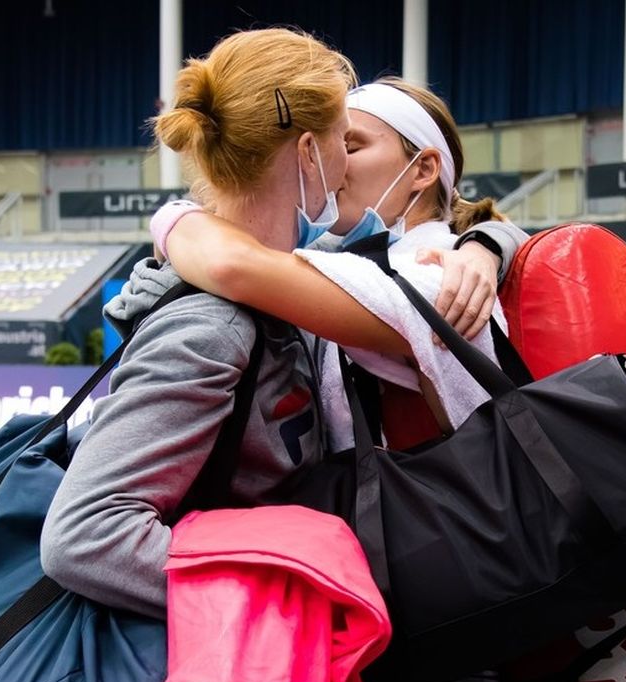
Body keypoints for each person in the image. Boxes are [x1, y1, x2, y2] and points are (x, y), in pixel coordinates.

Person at [39, 28, 390, 618]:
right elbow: (84, 537)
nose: (345, 168)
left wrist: (488, 243)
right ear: (307, 152)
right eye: (342, 141)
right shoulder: (212, 329)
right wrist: (284, 605)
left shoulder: (280, 287)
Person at [155, 77, 529, 449]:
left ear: (423, 169)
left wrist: (172, 217)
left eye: (350, 145)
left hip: (442, 503)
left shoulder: (436, 274)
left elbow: (231, 264)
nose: (330, 162)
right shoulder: (362, 259)